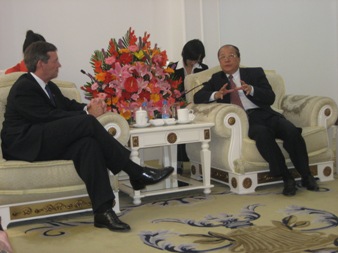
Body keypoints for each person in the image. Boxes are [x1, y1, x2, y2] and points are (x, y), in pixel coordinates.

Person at [1, 41, 174, 232]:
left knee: (88, 144)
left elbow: (68, 106)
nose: (59, 65)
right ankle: (135, 172)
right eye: (55, 60)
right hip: (24, 144)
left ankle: (103, 211)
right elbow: (46, 116)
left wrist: (87, 107)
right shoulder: (24, 87)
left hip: (44, 141)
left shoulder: (49, 87)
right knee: (87, 122)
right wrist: (86, 115)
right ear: (41, 63)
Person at [193, 44, 319, 196]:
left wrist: (252, 89)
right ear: (219, 61)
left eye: (231, 56)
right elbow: (197, 97)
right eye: (222, 57)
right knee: (263, 135)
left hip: (265, 113)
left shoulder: (255, 73)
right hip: (245, 120)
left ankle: (306, 175)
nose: (227, 60)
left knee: (291, 131)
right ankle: (287, 178)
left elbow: (270, 97)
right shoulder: (216, 79)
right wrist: (216, 95)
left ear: (238, 58)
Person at [168, 39, 208, 173]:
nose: (194, 62)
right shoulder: (172, 68)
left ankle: (197, 162)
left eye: (198, 59)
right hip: (177, 108)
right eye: (192, 59)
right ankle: (179, 164)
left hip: (196, 107)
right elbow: (167, 91)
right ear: (185, 55)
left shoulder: (204, 69)